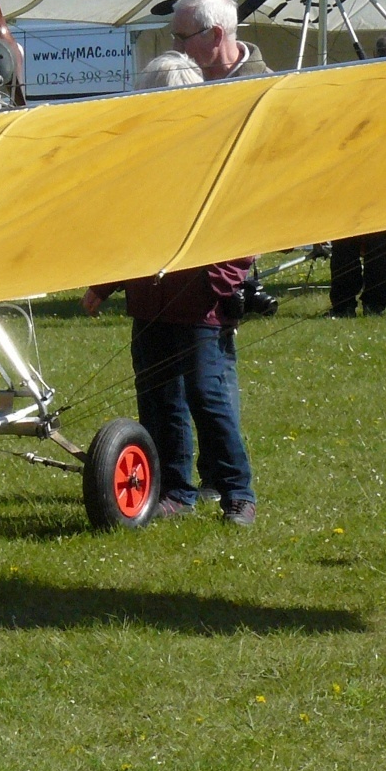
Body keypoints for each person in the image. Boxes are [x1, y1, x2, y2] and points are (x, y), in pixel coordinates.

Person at [82, 40, 259, 524]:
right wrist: (107, 284)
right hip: (149, 303)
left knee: (208, 396)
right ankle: (176, 489)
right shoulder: (140, 160)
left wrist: (219, 284)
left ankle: (237, 492)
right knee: (158, 399)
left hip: (202, 305)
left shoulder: (216, 154)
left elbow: (242, 225)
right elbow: (128, 230)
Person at [328, 30, 386, 314]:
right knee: (359, 245)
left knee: (363, 246)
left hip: (374, 172)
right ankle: (358, 304)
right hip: (364, 172)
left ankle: (360, 304)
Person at [169, 0, 271, 81]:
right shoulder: (179, 84)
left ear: (216, 35)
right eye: (175, 38)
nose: (176, 48)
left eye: (182, 38)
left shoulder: (269, 88)